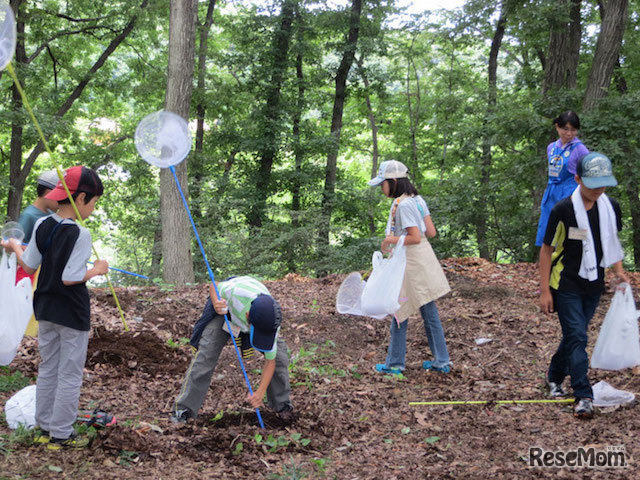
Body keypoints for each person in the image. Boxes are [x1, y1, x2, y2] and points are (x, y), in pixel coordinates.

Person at [2, 166, 109, 447]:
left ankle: (44, 427)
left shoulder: (42, 224)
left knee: (49, 368)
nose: (93, 209)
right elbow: (71, 277)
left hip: (45, 309)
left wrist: (15, 246)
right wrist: (96, 270)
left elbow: (29, 264)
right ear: (81, 198)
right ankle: (61, 433)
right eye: (94, 202)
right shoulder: (80, 234)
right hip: (71, 312)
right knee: (70, 373)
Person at [539, 152, 629, 419]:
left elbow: (611, 242)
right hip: (565, 283)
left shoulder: (610, 207)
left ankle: (554, 376)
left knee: (573, 336)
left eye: (603, 184)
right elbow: (546, 250)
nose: (599, 190)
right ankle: (583, 395)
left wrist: (619, 271)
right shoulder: (563, 210)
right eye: (593, 184)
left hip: (594, 284)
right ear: (578, 179)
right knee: (578, 337)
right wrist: (544, 290)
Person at [172, 275, 294, 423]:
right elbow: (214, 285)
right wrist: (217, 303)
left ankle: (281, 406)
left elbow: (271, 361)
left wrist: (259, 392)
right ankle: (184, 409)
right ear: (248, 316)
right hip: (225, 313)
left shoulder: (272, 319)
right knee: (206, 355)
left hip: (254, 321)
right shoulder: (235, 292)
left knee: (280, 357)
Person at [368, 160, 451, 375]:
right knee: (428, 309)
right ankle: (442, 361)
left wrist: (390, 241)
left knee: (399, 309)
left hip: (409, 264)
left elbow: (414, 237)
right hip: (423, 260)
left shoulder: (403, 205)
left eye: (383, 184)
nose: (381, 189)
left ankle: (395, 363)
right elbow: (430, 232)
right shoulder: (417, 200)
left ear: (393, 182)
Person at [535, 111, 590, 247]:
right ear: (557, 127)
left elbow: (588, 173)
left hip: (571, 191)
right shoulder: (551, 147)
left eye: (573, 130)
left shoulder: (580, 149)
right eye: (565, 129)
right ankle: (549, 262)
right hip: (552, 191)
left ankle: (578, 259)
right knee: (549, 228)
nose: (569, 133)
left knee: (573, 229)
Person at [17, 169, 60, 243]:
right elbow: (15, 245)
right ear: (49, 193)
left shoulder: (52, 214)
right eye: (60, 196)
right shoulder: (28, 215)